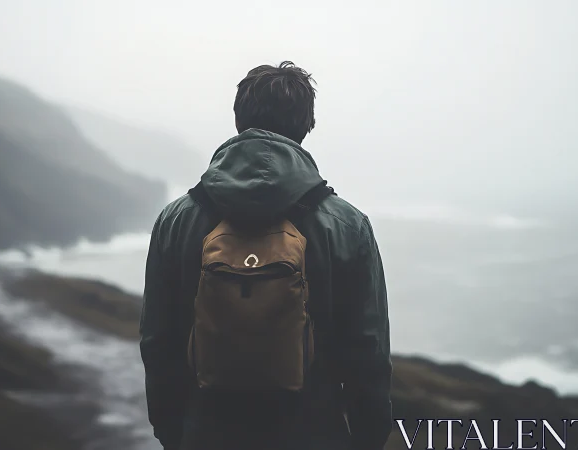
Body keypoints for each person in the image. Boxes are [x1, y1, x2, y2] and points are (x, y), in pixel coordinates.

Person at [139, 61, 392, 450]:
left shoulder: (178, 219)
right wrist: (369, 436)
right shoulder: (347, 225)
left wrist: (172, 430)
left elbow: (158, 341)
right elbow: (368, 351)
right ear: (307, 125)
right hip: (314, 433)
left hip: (205, 432)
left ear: (239, 119)